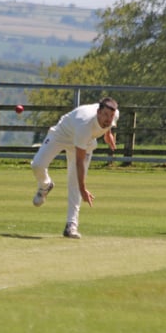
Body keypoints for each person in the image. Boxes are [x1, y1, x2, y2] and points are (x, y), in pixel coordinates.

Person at [30, 98, 119, 239]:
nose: (108, 119)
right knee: (37, 165)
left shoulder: (114, 114)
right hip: (62, 134)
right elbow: (79, 161)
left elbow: (110, 124)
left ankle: (71, 225)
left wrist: (108, 134)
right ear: (98, 112)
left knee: (74, 184)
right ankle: (45, 185)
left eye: (111, 116)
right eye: (105, 115)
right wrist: (84, 189)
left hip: (85, 142)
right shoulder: (85, 124)